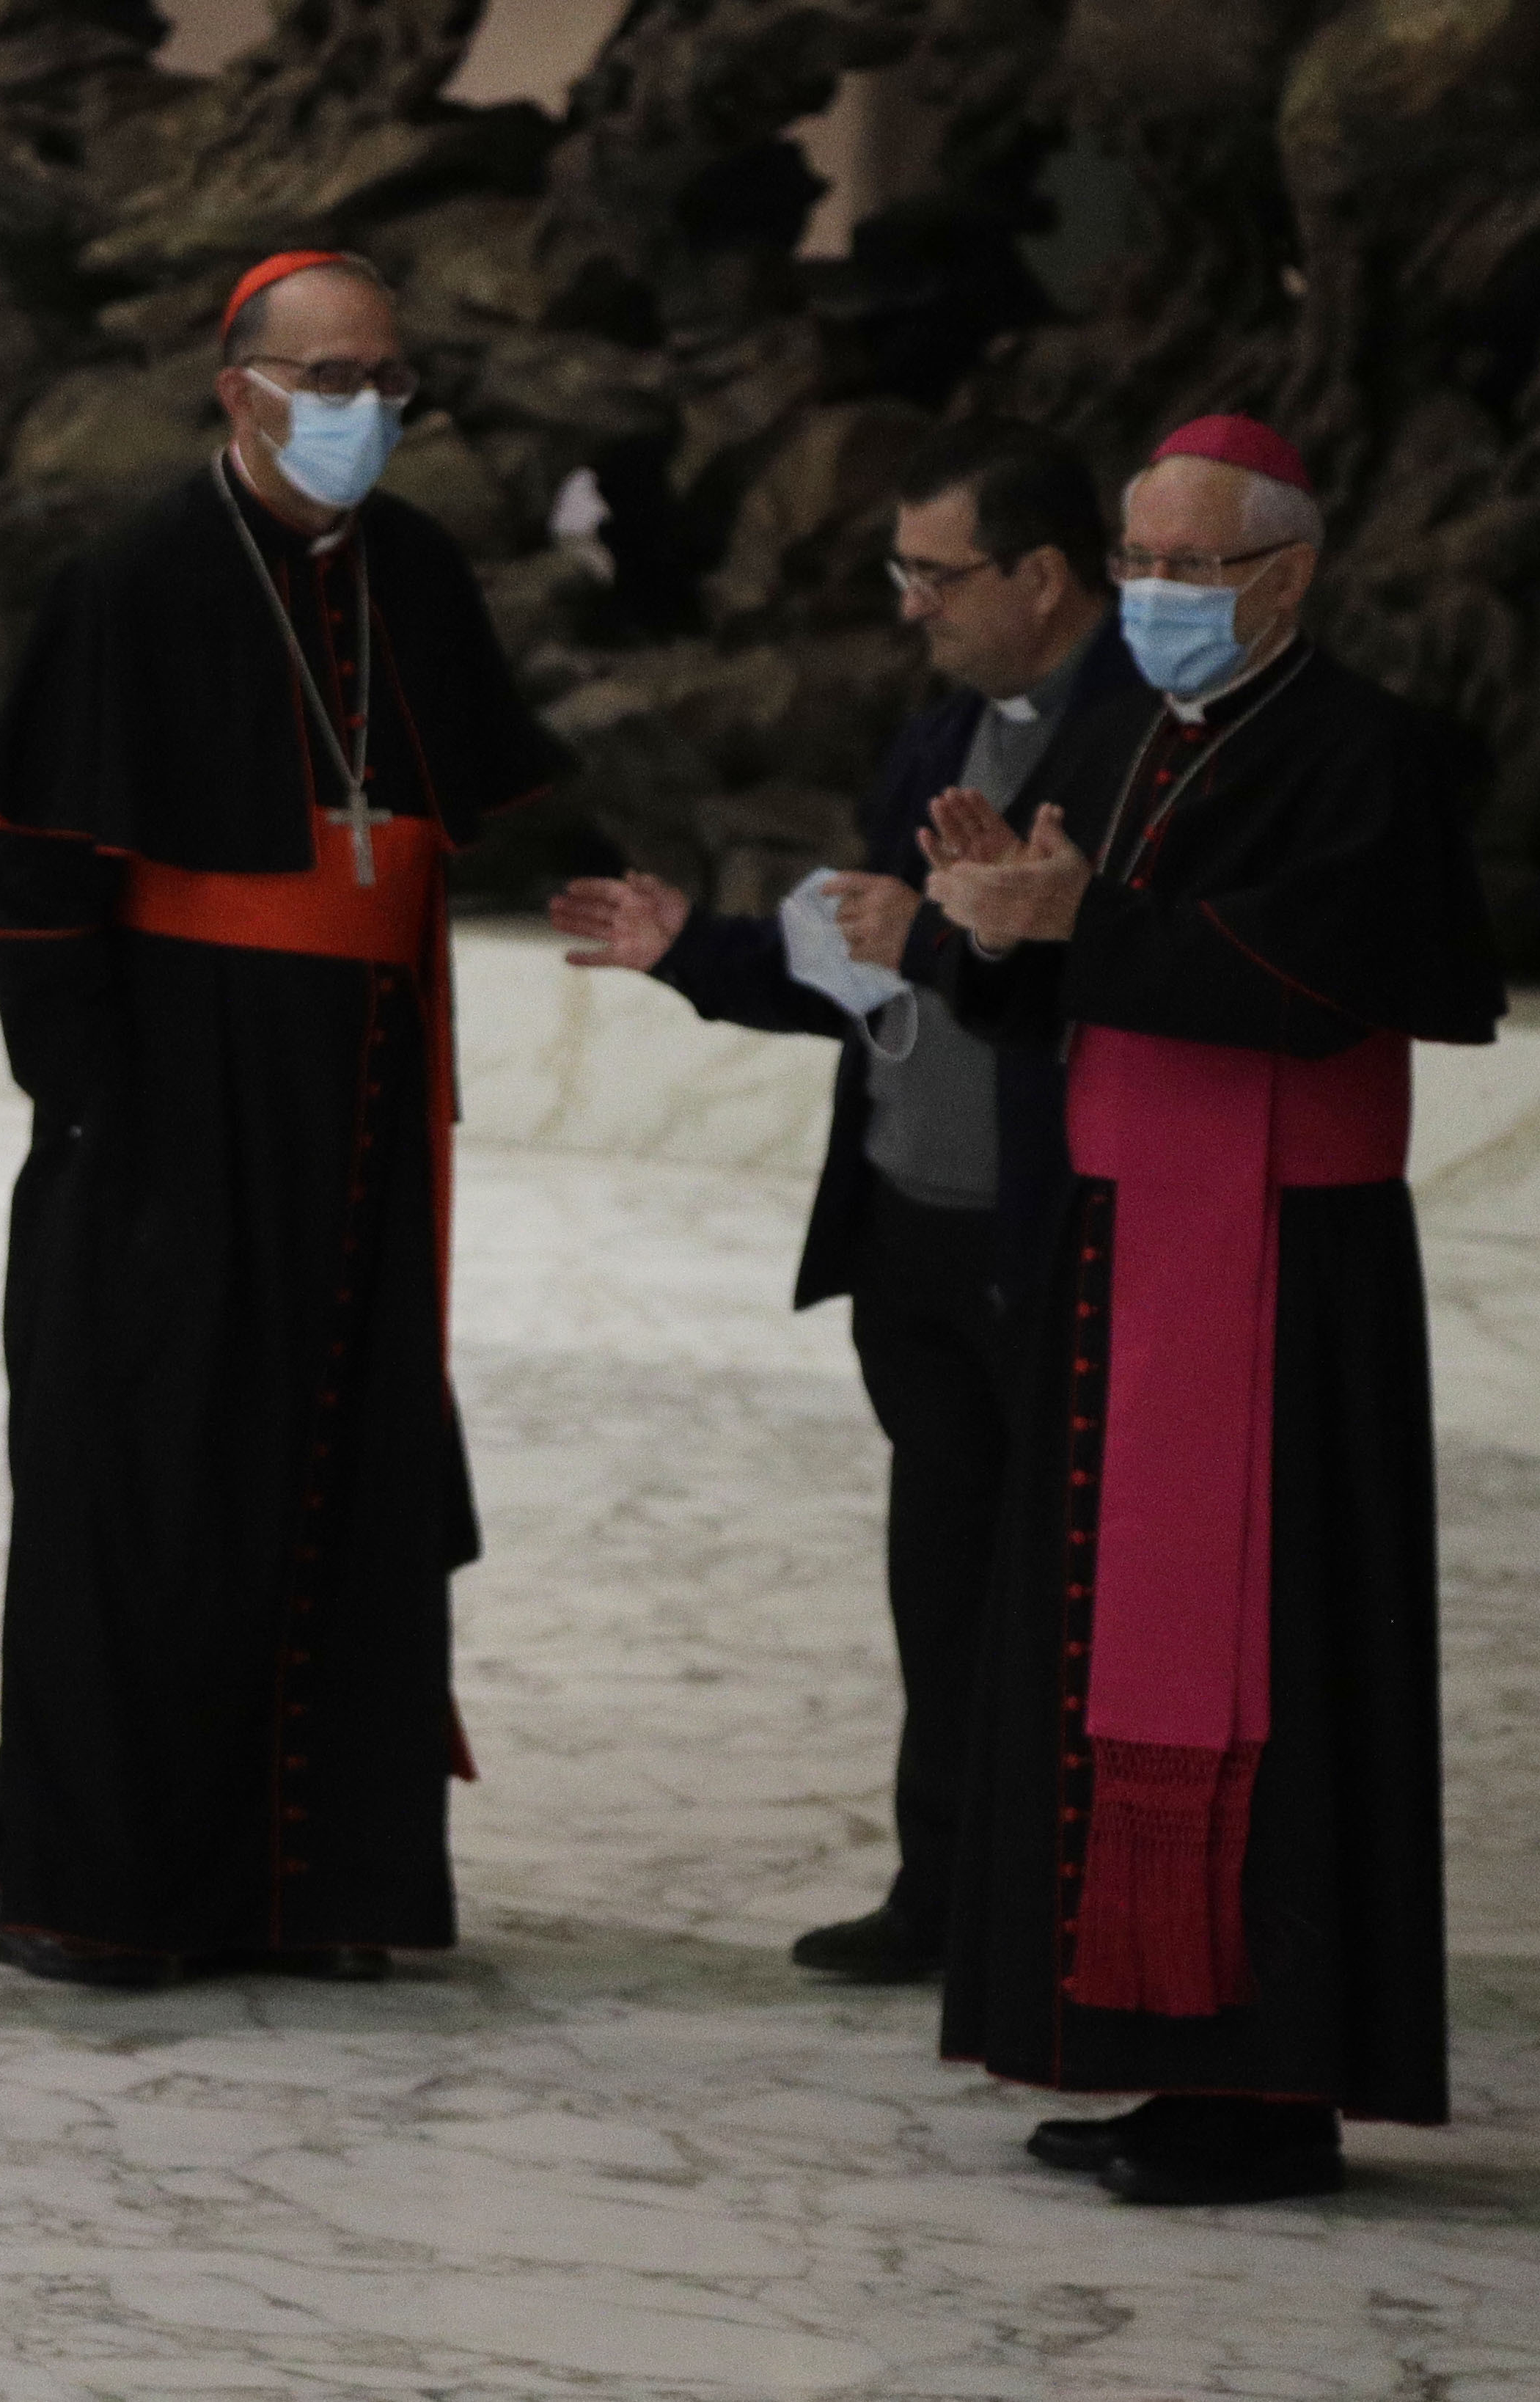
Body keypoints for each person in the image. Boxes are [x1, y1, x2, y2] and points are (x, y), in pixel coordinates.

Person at [0, 250, 563, 1989]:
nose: (362, 408)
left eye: (385, 377)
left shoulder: (417, 570)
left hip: (356, 1087)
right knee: (151, 1478)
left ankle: (320, 1883)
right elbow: (38, 870)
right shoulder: (130, 575)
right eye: (328, 377)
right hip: (170, 1088)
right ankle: (111, 1886)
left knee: (339, 1468)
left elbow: (461, 807)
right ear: (238, 390)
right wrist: (86, 1108)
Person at [923, 414, 1506, 2204]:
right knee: (1090, 1645)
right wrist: (982, 928)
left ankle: (1261, 2088)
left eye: (1192, 568)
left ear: (1287, 573)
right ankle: (1133, 2043)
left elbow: (1326, 978)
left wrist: (1071, 925)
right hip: (1122, 1247)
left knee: (1274, 1653)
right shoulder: (1113, 735)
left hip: (1280, 1275)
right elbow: (1040, 984)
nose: (1158, 598)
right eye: (1140, 566)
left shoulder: (1365, 753)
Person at [548, 417, 1133, 1983]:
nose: (906, 605)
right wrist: (692, 950)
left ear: (1041, 573)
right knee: (935, 1578)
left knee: (1067, 1594)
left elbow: (1121, 975)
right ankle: (937, 1888)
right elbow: (861, 951)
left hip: (1058, 1225)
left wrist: (954, 930)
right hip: (910, 1220)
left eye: (931, 574)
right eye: (900, 572)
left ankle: (1068, 1905)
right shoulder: (939, 736)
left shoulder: (1144, 737)